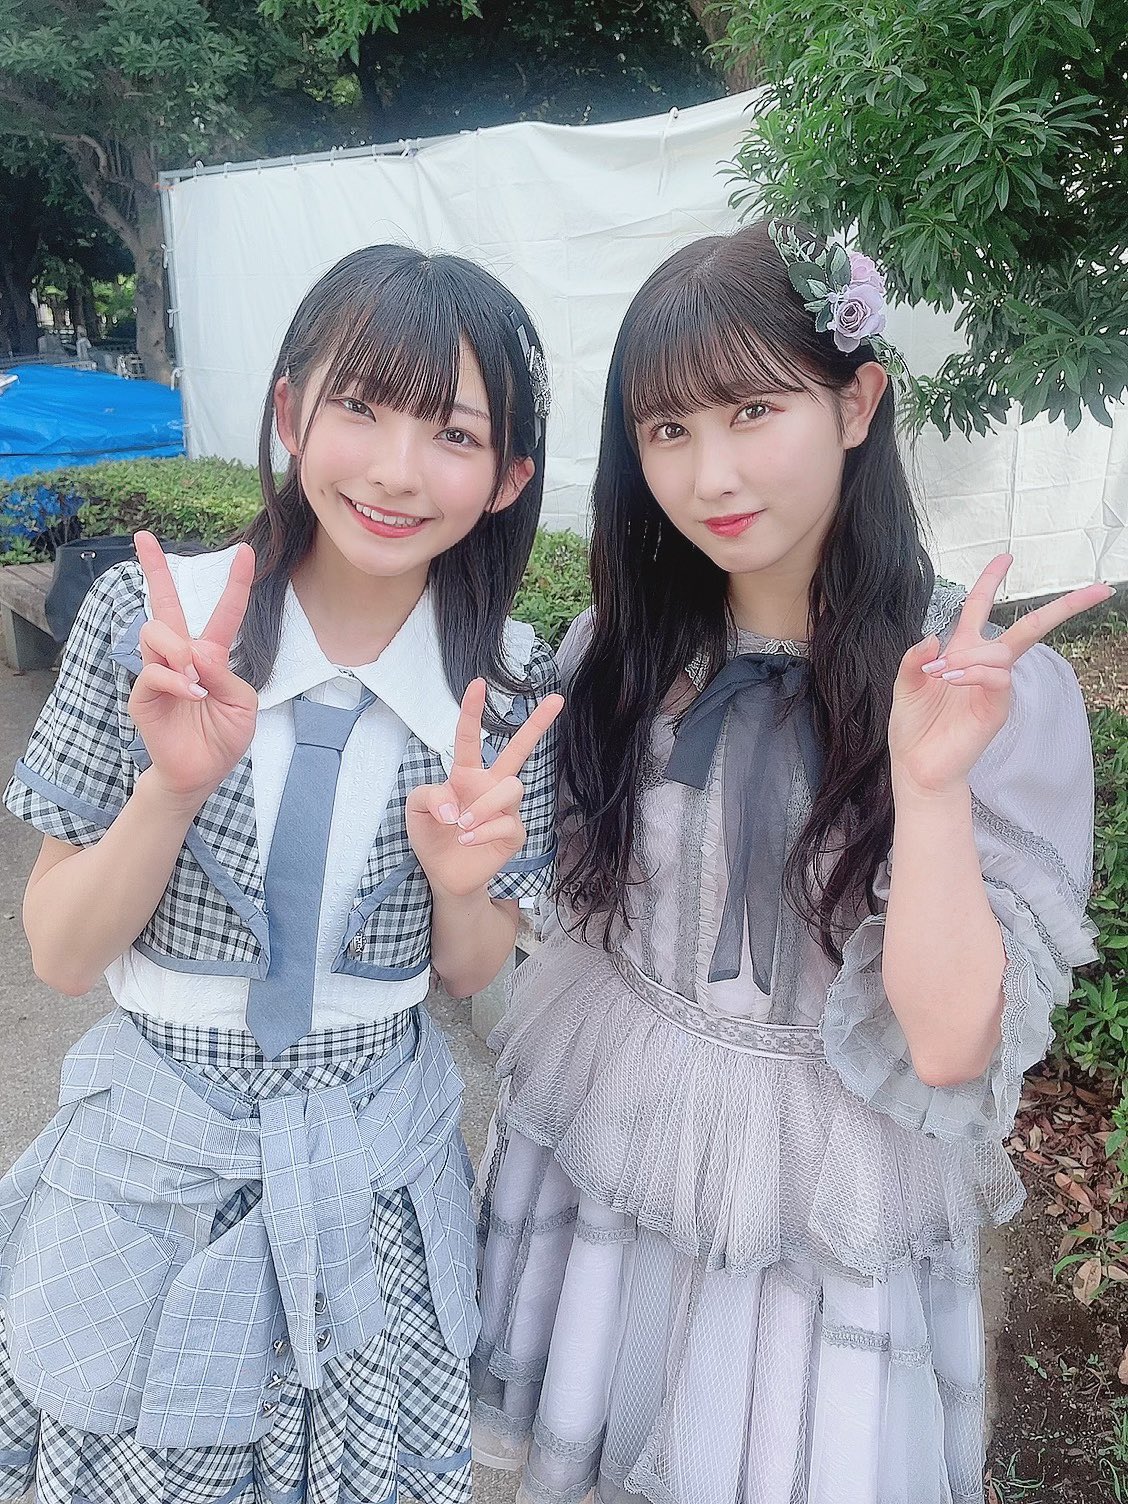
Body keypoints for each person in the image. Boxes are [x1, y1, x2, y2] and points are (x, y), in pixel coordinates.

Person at [471, 219, 1108, 1504]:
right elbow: (551, 911)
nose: (710, 471)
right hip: (616, 1139)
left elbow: (949, 1049)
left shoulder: (978, 694)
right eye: (667, 429)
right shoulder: (618, 654)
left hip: (829, 1193)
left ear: (856, 402)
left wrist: (929, 785)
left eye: (754, 409)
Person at [0, 244, 562, 1504]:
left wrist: (462, 880)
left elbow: (470, 969)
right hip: (155, 1174)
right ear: (290, 412)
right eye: (360, 405)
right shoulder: (151, 627)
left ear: (508, 477)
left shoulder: (506, 692)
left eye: (454, 433)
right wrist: (172, 787)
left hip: (376, 1187)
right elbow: (61, 952)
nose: (397, 469)